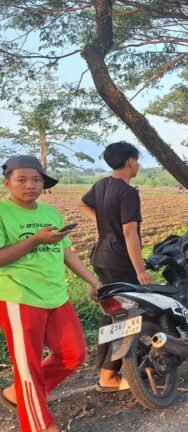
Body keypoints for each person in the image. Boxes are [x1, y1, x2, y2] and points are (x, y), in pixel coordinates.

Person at [0, 155, 101, 432]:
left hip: (56, 294)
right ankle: (39, 426)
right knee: (28, 368)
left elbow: (66, 252)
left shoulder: (50, 213)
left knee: (74, 353)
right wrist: (34, 240)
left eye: (36, 179)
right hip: (19, 296)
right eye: (21, 179)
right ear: (7, 182)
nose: (30, 185)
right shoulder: (2, 212)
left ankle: (15, 394)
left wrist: (94, 282)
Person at [78, 141, 152, 393]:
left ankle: (105, 370)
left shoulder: (101, 185)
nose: (138, 165)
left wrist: (100, 226)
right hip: (120, 261)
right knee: (126, 317)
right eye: (137, 160)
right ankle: (109, 376)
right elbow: (130, 233)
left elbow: (82, 204)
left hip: (101, 258)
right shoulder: (128, 192)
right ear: (130, 162)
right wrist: (140, 271)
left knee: (109, 315)